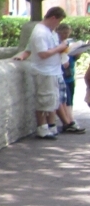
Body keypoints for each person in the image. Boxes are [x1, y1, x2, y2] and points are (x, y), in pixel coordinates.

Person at [12, 7, 80, 136]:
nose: (58, 25)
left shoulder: (50, 32)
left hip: (53, 70)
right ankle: (42, 127)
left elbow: (30, 49)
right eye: (58, 21)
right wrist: (60, 47)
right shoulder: (40, 33)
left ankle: (50, 125)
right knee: (44, 99)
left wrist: (64, 50)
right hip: (44, 71)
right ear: (53, 18)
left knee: (52, 100)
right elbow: (42, 53)